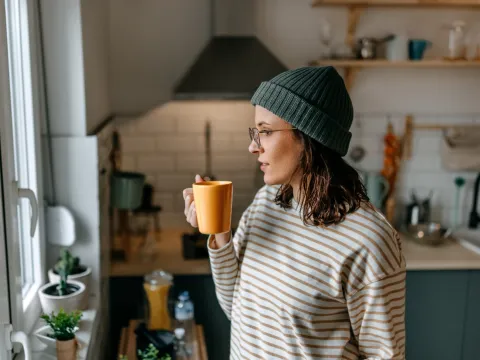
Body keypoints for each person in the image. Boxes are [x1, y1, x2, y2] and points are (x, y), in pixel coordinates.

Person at [182, 66, 405, 360]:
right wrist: (219, 231)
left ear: (310, 137)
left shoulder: (368, 240)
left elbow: (384, 355)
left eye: (266, 132)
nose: (253, 146)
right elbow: (240, 311)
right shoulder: (266, 203)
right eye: (255, 132)